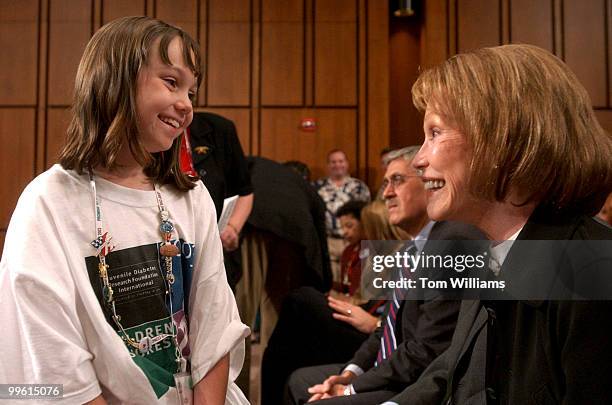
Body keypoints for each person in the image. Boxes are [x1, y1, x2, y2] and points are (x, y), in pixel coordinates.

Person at [0, 16, 249, 404]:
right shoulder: (48, 202)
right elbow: (52, 361)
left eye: (192, 92)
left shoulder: (191, 195)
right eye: (171, 82)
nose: (186, 106)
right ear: (114, 80)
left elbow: (215, 325)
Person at [384, 44, 612, 404]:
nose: (419, 160)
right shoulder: (492, 253)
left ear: (502, 138)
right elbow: (458, 373)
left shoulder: (592, 270)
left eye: (435, 133)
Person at [286, 147, 484, 405]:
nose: (387, 193)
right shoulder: (411, 249)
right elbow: (385, 330)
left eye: (398, 181)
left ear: (429, 183)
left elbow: (425, 351)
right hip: (390, 367)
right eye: (385, 184)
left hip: (419, 384)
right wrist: (349, 374)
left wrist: (351, 390)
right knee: (299, 380)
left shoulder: (451, 243)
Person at [260, 200, 405, 405]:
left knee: (301, 300)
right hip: (370, 325)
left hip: (374, 334)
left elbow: (410, 329)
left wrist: (373, 323)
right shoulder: (374, 257)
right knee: (296, 334)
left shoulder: (415, 257)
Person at [314, 149, 371, 285]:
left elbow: (366, 213)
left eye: (340, 161)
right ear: (328, 165)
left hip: (354, 240)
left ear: (347, 164)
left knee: (354, 279)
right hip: (329, 241)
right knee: (332, 281)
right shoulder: (318, 187)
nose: (337, 165)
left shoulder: (359, 186)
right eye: (333, 162)